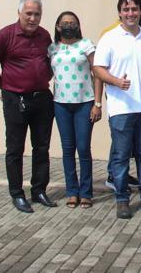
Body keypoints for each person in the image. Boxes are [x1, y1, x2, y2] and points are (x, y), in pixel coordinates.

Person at [92, 0, 141, 219]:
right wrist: (116, 81)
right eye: (126, 10)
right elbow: (97, 69)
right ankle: (122, 200)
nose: (130, 13)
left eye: (134, 9)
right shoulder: (109, 38)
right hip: (121, 109)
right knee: (121, 157)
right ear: (120, 13)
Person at [0, 0, 56, 214]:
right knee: (15, 148)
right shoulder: (4, 36)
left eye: (37, 14)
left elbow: (49, 63)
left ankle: (39, 190)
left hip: (42, 99)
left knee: (41, 147)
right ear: (19, 13)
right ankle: (17, 193)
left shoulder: (45, 36)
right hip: (15, 100)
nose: (33, 18)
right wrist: (5, 88)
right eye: (29, 14)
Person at [49, 11, 102, 209]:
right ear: (58, 27)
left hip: (84, 103)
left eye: (73, 22)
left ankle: (86, 192)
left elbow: (97, 73)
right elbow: (43, 73)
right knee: (67, 149)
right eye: (65, 23)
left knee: (83, 149)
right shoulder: (52, 48)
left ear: (78, 26)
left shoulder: (86, 45)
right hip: (61, 104)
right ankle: (72, 191)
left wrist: (97, 103)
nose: (69, 25)